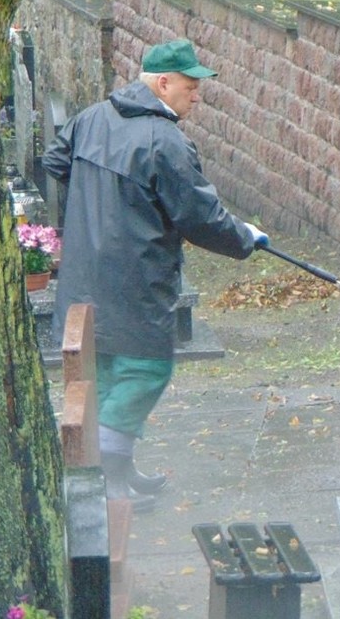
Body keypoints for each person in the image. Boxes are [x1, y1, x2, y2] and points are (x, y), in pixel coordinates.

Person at [42, 39, 269, 512]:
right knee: (146, 370)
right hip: (135, 285)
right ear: (162, 83)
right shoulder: (166, 141)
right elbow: (200, 217)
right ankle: (109, 480)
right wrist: (245, 238)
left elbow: (57, 163)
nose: (197, 95)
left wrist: (101, 202)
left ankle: (116, 470)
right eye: (191, 85)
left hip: (83, 278)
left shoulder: (91, 118)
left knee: (101, 375)